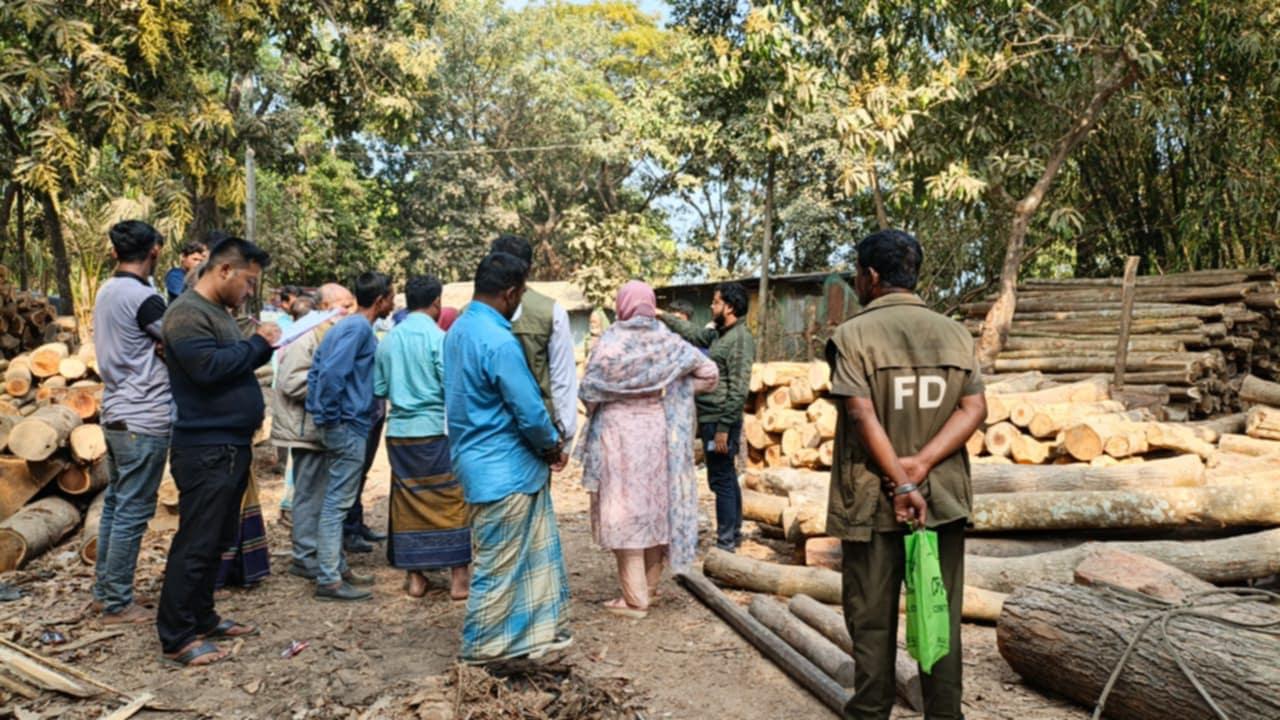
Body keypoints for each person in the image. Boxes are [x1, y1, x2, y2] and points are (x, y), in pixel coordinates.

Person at [826, 230, 986, 720]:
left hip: (873, 502)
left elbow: (861, 414)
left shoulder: (853, 336)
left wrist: (901, 478)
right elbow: (974, 408)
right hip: (941, 502)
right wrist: (921, 466)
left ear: (871, 276)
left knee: (871, 619)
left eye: (858, 274)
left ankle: (871, 713)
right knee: (939, 616)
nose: (857, 282)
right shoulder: (955, 334)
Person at [157, 236, 280, 667]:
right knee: (197, 542)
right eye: (248, 282)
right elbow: (207, 370)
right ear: (225, 270)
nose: (249, 292)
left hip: (229, 444)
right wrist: (257, 345)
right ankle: (177, 635)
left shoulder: (217, 313)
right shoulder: (186, 313)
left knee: (218, 540)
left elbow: (232, 363)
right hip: (205, 447)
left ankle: (202, 616)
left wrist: (256, 348)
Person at [445, 252, 570, 664]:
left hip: (474, 461)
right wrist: (551, 446)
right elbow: (529, 411)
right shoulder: (499, 341)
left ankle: (522, 643)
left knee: (519, 563)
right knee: (498, 568)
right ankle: (479, 653)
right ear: (511, 293)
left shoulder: (458, 329)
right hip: (506, 469)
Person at [575, 281, 718, 618]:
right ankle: (649, 589)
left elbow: (589, 391)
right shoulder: (665, 339)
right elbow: (709, 373)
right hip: (656, 429)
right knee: (654, 505)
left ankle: (634, 599)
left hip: (617, 433)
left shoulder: (611, 342)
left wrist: (613, 398)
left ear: (622, 306)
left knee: (623, 508)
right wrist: (673, 389)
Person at [91, 220, 171, 626]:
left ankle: (105, 590)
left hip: (116, 410)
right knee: (132, 511)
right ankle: (118, 602)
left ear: (114, 252)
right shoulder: (144, 299)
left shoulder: (107, 291)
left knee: (116, 504)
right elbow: (179, 341)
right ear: (154, 250)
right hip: (145, 414)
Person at [375, 275, 471, 599]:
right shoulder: (440, 339)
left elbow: (379, 388)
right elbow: (451, 386)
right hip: (435, 431)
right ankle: (459, 579)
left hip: (400, 434)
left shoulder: (388, 340)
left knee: (407, 501)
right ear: (436, 302)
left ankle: (416, 578)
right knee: (451, 498)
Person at [306, 272, 396, 601]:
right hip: (347, 424)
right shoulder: (356, 328)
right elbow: (331, 374)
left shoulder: (352, 327)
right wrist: (332, 418)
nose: (394, 303)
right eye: (391, 297)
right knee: (336, 503)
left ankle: (338, 567)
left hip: (347, 422)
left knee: (338, 501)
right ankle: (329, 579)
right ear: (380, 300)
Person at [658, 282, 755, 552]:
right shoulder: (720, 334)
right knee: (726, 476)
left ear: (730, 307)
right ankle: (733, 533)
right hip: (712, 418)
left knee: (720, 479)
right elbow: (694, 334)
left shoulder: (740, 340)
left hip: (720, 420)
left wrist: (724, 428)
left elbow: (739, 389)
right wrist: (661, 315)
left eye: (715, 302)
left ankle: (726, 543)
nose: (711, 307)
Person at [275, 284, 355, 579]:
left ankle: (323, 555)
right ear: (324, 307)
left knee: (324, 494)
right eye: (344, 305)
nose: (350, 311)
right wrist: (331, 386)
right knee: (309, 494)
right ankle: (305, 556)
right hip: (304, 428)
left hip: (319, 427)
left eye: (351, 304)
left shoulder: (328, 333)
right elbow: (291, 382)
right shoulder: (307, 335)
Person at [488, 235, 578, 446]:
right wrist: (565, 435)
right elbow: (562, 379)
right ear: (529, 269)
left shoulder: (469, 314)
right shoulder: (551, 311)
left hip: (486, 430)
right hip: (537, 432)